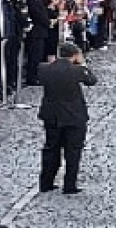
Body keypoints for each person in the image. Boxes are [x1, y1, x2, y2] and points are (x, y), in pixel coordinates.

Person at [36, 42, 98, 194]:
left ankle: (46, 183)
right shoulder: (77, 70)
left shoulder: (44, 69)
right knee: (73, 151)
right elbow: (92, 80)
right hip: (74, 116)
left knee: (51, 149)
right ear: (75, 55)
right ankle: (69, 184)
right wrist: (83, 64)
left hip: (52, 115)